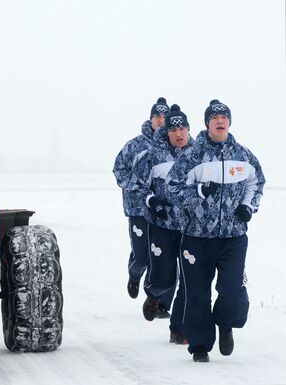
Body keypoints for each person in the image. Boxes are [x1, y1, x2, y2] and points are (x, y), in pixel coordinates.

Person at [166, 100, 265, 362]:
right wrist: (198, 192)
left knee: (232, 289)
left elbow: (256, 183)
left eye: (224, 116)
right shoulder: (192, 155)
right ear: (208, 124)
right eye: (215, 117)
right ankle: (199, 345)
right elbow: (172, 189)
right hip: (197, 237)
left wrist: (248, 206)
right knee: (197, 293)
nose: (220, 120)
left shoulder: (243, 156)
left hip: (233, 237)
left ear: (229, 123)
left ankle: (226, 323)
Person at [129, 104, 193, 344]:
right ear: (167, 132)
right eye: (174, 129)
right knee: (164, 280)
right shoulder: (152, 156)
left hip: (190, 229)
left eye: (183, 128)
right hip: (162, 226)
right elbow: (135, 185)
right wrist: (151, 200)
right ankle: (153, 295)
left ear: (188, 129)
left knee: (189, 280)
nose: (179, 134)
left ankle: (179, 330)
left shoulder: (196, 154)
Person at [113, 97, 173, 318]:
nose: (161, 120)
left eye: (164, 117)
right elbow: (118, 169)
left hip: (166, 214)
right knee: (142, 257)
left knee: (166, 258)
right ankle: (135, 274)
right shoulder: (135, 145)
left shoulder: (176, 144)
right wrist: (134, 188)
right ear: (151, 119)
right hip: (139, 210)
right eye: (157, 116)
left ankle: (161, 304)